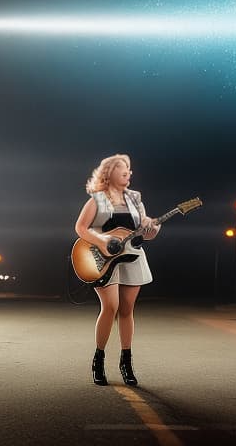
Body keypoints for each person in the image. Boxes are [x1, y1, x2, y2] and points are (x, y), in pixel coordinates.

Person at [74, 153, 159, 387]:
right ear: (109, 172)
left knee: (127, 310)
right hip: (102, 259)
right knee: (110, 307)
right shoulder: (97, 199)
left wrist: (151, 229)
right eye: (123, 167)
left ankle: (126, 363)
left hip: (131, 256)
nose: (128, 171)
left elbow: (145, 232)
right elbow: (80, 227)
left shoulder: (135, 199)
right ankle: (98, 360)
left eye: (129, 168)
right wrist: (102, 241)